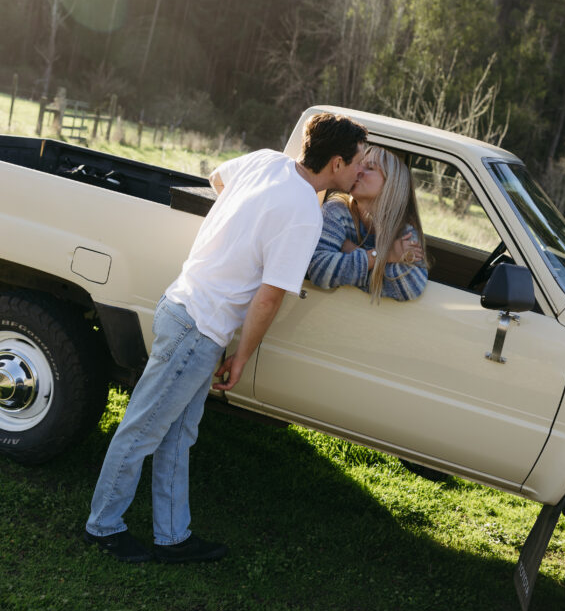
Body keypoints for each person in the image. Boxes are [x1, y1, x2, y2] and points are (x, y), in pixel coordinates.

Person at [84, 113, 368, 564]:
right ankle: (103, 527)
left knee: (178, 435)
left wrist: (242, 226)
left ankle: (172, 537)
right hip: (199, 329)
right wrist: (240, 357)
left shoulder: (265, 161)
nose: (360, 172)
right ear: (336, 163)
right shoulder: (302, 215)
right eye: (358, 163)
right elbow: (267, 299)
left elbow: (218, 178)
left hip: (183, 310)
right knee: (141, 429)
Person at [307, 145, 428, 302]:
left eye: (369, 167)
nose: (358, 171)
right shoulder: (335, 210)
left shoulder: (403, 231)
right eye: (358, 164)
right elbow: (319, 270)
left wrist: (350, 250)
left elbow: (410, 286)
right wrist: (382, 256)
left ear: (391, 184)